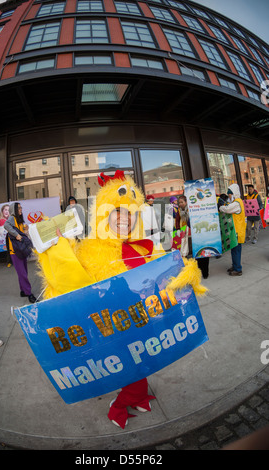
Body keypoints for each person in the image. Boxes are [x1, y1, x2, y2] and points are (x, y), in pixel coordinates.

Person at [36, 170, 207, 429]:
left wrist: (186, 274)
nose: (125, 218)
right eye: (117, 211)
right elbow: (69, 284)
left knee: (145, 360)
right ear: (104, 213)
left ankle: (138, 395)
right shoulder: (90, 249)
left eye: (130, 212)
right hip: (110, 327)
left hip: (147, 321)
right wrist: (56, 246)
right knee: (126, 365)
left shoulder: (145, 245)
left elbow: (166, 275)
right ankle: (119, 405)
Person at [4, 202, 37, 303]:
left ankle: (23, 291)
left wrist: (26, 229)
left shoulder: (19, 221)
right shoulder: (12, 218)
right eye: (18, 208)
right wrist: (16, 234)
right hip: (15, 251)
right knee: (22, 273)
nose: (20, 209)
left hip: (21, 249)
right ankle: (29, 294)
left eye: (21, 207)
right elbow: (6, 225)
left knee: (23, 272)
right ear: (14, 210)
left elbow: (23, 233)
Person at [176, 195, 209, 278]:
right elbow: (177, 220)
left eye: (182, 202)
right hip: (185, 234)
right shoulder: (179, 211)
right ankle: (196, 271)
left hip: (197, 232)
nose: (180, 204)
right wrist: (178, 229)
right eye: (179, 202)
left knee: (202, 251)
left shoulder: (192, 208)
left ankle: (205, 272)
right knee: (193, 253)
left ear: (186, 202)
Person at [219, 183, 246, 276]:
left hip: (238, 231)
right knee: (234, 250)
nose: (229, 196)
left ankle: (238, 269)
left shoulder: (237, 203)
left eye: (229, 194)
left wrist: (221, 206)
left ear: (234, 193)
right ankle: (235, 266)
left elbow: (227, 209)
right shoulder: (238, 202)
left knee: (236, 251)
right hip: (236, 231)